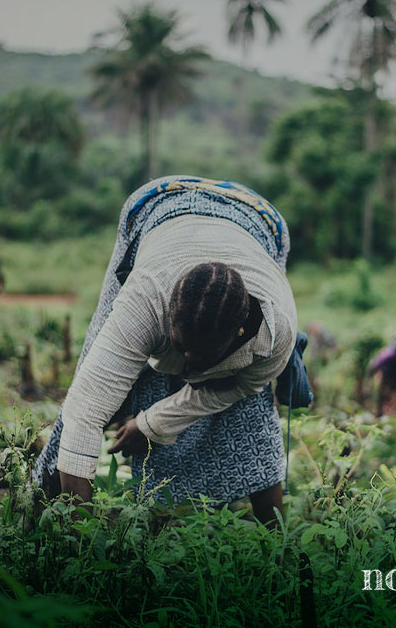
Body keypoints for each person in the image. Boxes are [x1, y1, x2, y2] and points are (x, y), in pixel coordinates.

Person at [33, 176, 298, 526]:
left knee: (251, 410)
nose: (186, 367)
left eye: (200, 359)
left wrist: (152, 424)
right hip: (159, 206)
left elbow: (238, 388)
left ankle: (277, 543)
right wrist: (80, 534)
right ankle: (44, 503)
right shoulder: (145, 300)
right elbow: (86, 409)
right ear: (166, 317)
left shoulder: (275, 332)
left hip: (260, 221)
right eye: (180, 349)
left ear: (241, 334)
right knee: (93, 371)